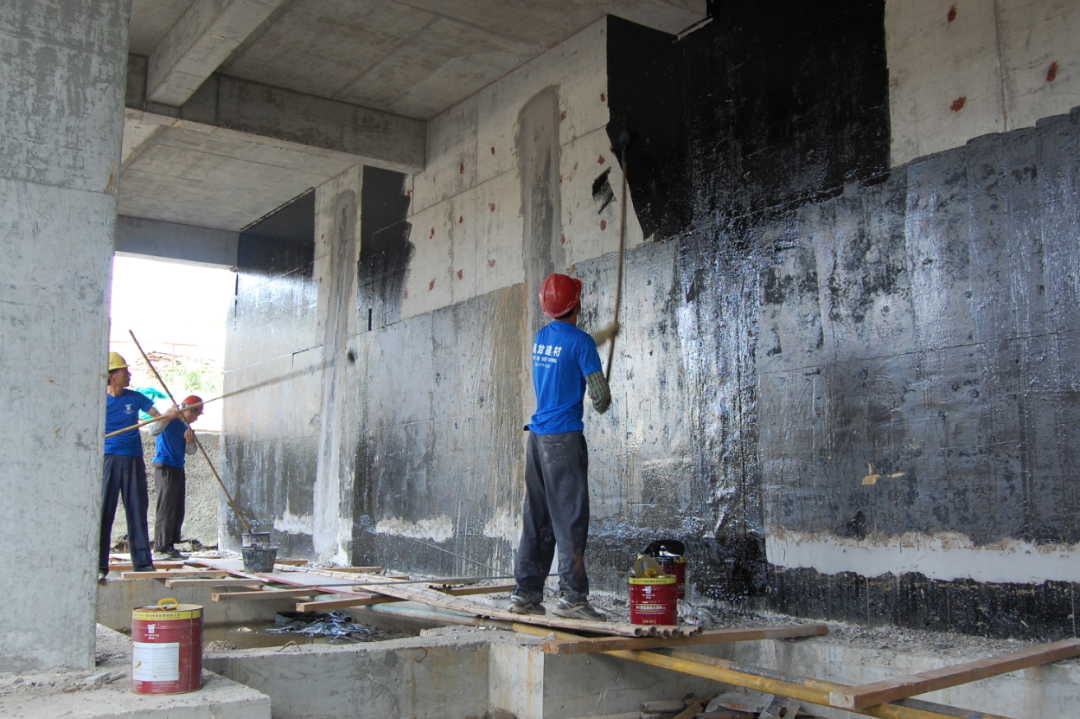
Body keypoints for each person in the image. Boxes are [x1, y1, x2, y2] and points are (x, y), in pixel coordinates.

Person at [510, 273, 619, 620]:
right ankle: (572, 598)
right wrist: (603, 391)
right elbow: (600, 400)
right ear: (577, 304)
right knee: (570, 520)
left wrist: (604, 336)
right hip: (564, 443)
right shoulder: (582, 343)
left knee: (537, 517)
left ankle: (525, 594)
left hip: (538, 441)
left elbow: (571, 350)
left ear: (548, 309)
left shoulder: (543, 338)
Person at [99, 352, 177, 579]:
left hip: (133, 459)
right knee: (105, 512)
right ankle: (99, 566)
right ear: (112, 376)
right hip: (109, 459)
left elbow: (157, 418)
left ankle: (142, 564)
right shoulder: (99, 400)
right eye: (124, 371)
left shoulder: (136, 398)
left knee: (137, 510)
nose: (129, 374)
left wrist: (169, 415)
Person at [150, 395, 203, 560]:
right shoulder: (170, 419)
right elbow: (153, 430)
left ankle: (170, 544)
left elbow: (191, 451)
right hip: (165, 467)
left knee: (176, 509)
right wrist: (166, 416)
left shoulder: (185, 427)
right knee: (165, 508)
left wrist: (189, 440)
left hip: (178, 468)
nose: (196, 418)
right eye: (196, 414)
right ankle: (160, 547)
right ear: (189, 410)